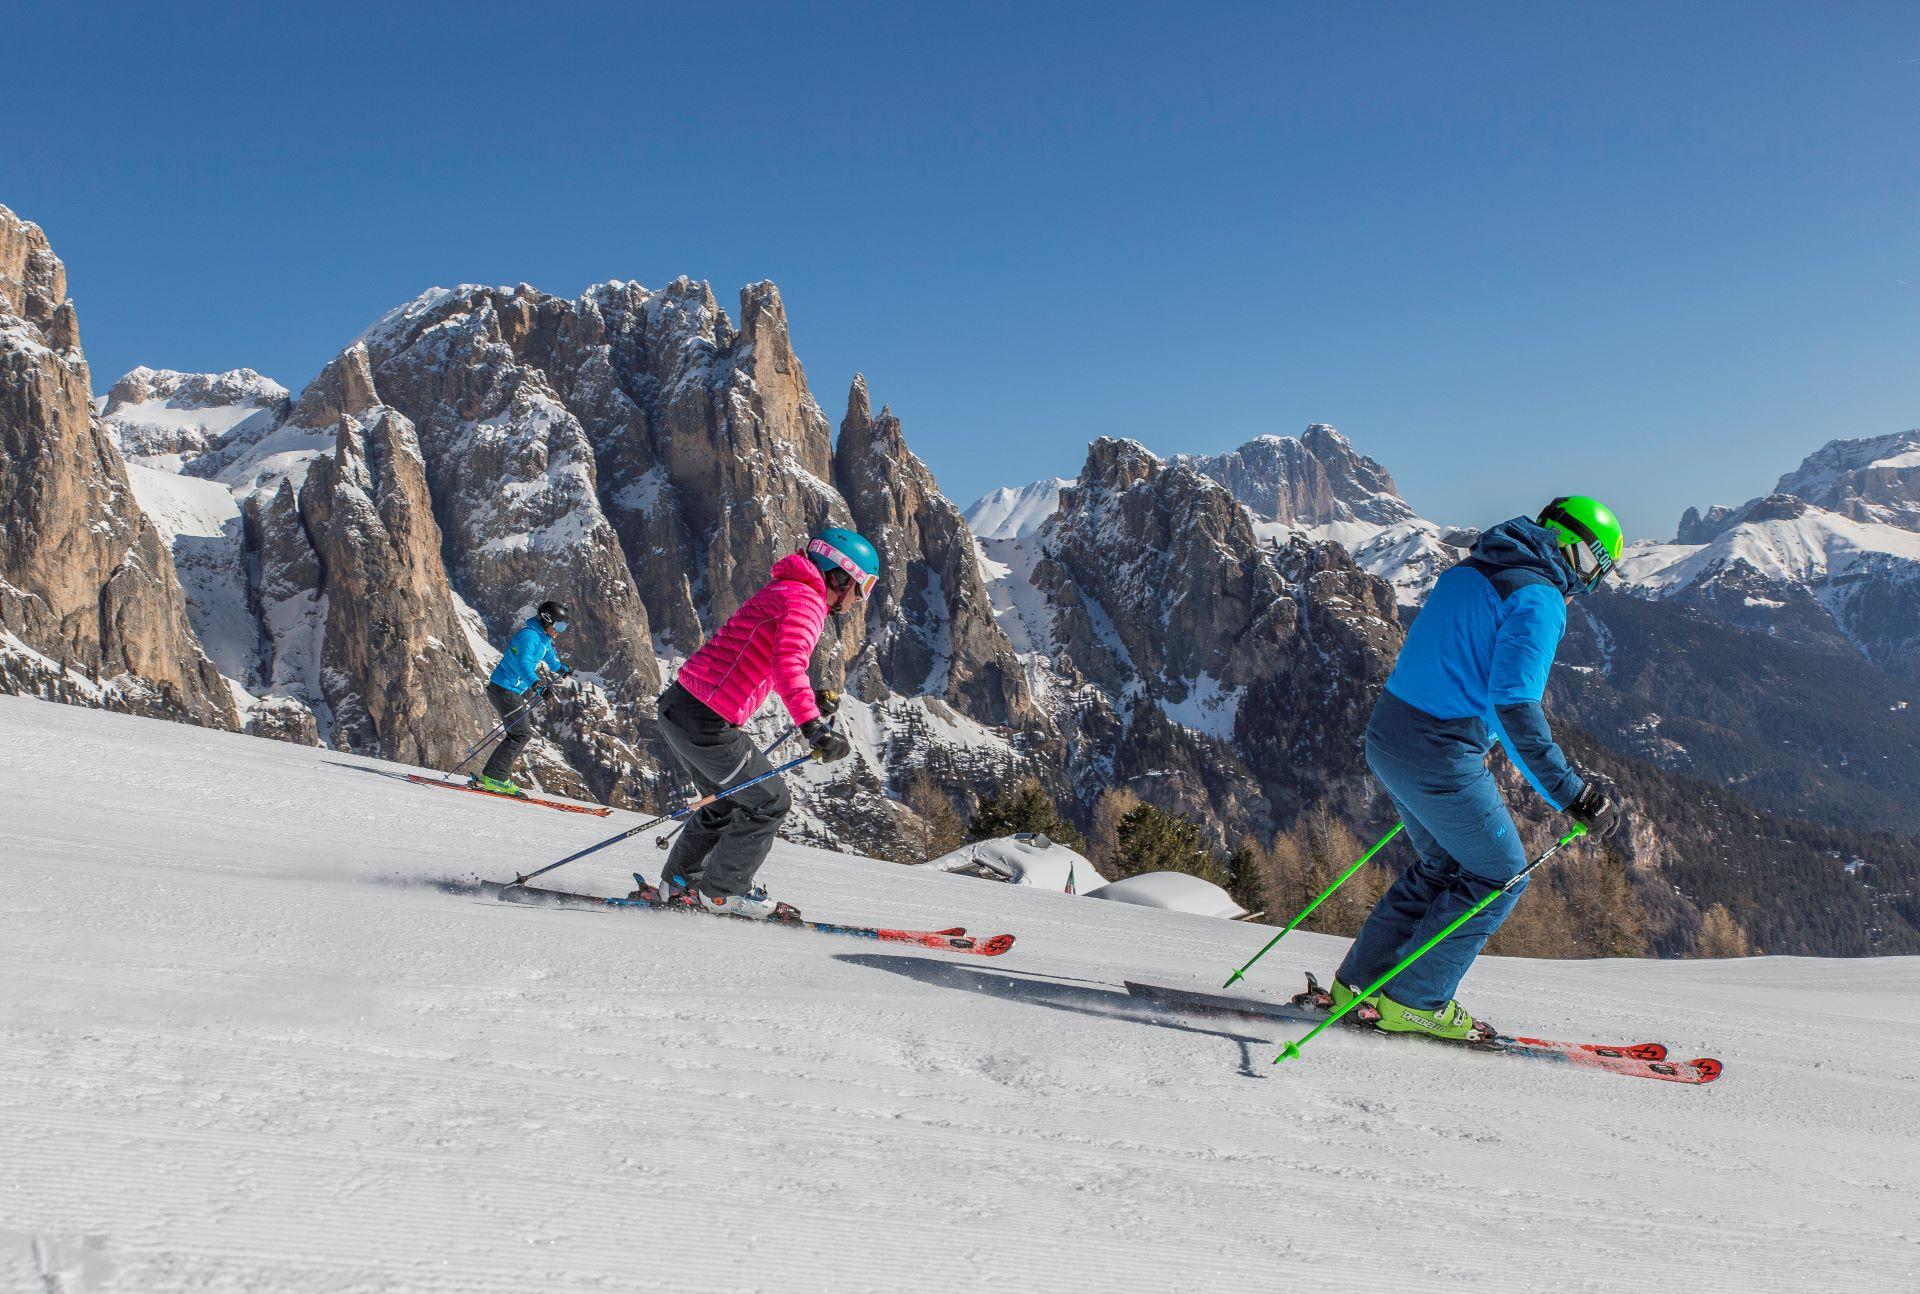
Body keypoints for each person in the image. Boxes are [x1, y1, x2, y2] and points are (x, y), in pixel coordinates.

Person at [1329, 496, 1627, 1040]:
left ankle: (1360, 984)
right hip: (1439, 751)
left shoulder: (1471, 568)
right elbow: (1513, 706)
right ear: (1571, 546)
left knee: (1442, 865)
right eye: (1592, 568)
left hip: (1388, 735)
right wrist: (1572, 795)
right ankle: (1416, 1000)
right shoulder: (1539, 598)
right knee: (1499, 874)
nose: (1586, 586)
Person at [644, 527, 877, 920]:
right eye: (862, 585)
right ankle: (722, 892)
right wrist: (813, 727)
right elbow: (789, 665)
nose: (861, 597)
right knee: (770, 801)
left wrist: (810, 700)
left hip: (681, 708)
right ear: (839, 576)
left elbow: (766, 658)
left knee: (722, 803)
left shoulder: (789, 590)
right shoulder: (806, 601)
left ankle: (680, 884)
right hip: (705, 720)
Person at [472, 600, 574, 796]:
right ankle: (496, 778)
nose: (560, 631)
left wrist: (562, 668)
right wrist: (536, 685)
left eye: (564, 627)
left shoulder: (543, 639)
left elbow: (550, 660)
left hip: (507, 690)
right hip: (504, 690)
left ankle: (492, 776)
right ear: (546, 621)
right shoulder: (529, 637)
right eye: (559, 626)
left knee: (517, 734)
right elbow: (523, 664)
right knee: (521, 734)